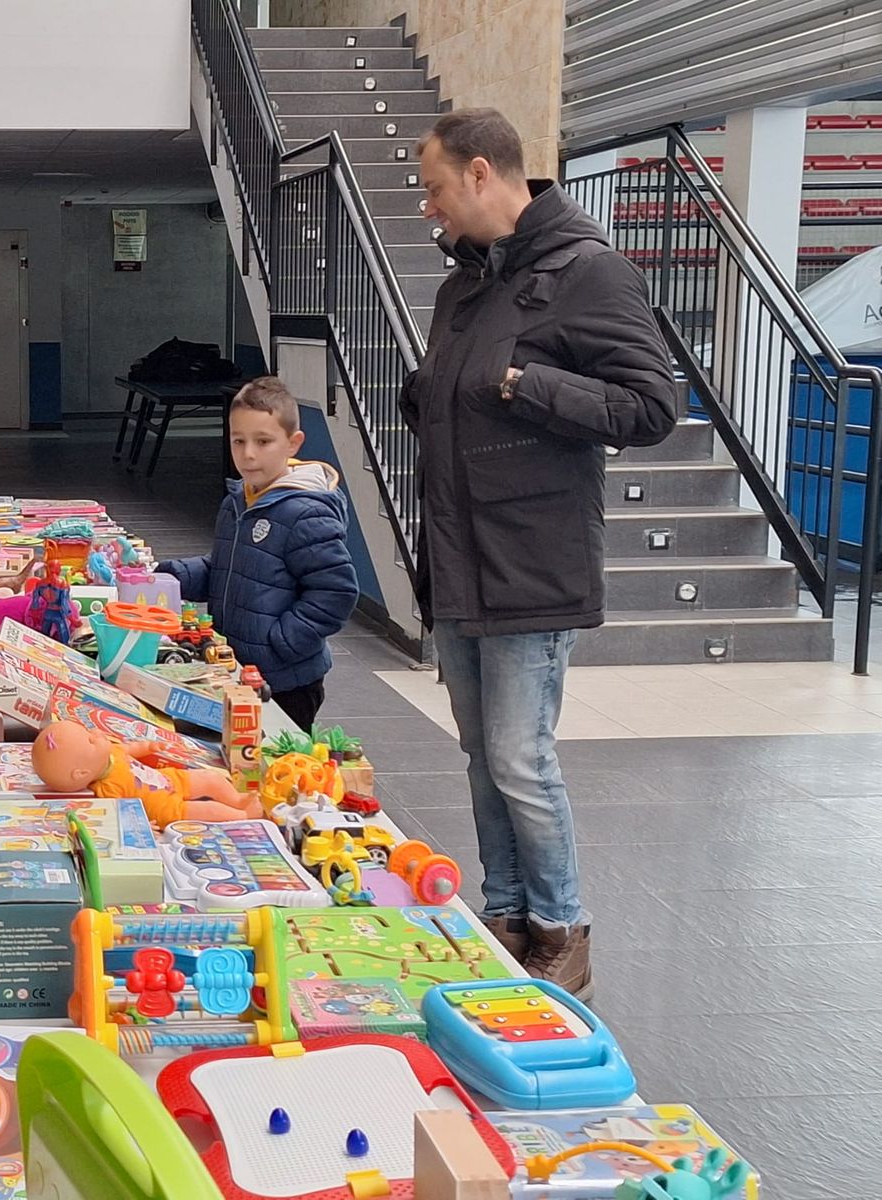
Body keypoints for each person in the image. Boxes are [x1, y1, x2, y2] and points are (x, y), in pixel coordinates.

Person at [402, 108, 676, 997]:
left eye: (435, 188)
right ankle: (508, 911)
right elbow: (462, 393)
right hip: (458, 558)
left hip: (532, 561)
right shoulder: (466, 287)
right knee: (482, 754)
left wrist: (528, 385)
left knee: (522, 757)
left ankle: (563, 927)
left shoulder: (588, 272)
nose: (428, 208)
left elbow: (650, 408)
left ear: (482, 173)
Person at [158, 377, 360, 732]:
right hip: (236, 672)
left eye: (263, 441)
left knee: (275, 771)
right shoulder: (239, 500)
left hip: (285, 683)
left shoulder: (305, 513)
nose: (248, 453)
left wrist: (279, 643)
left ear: (292, 443)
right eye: (238, 441)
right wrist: (168, 576)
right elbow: (228, 567)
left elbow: (336, 593)